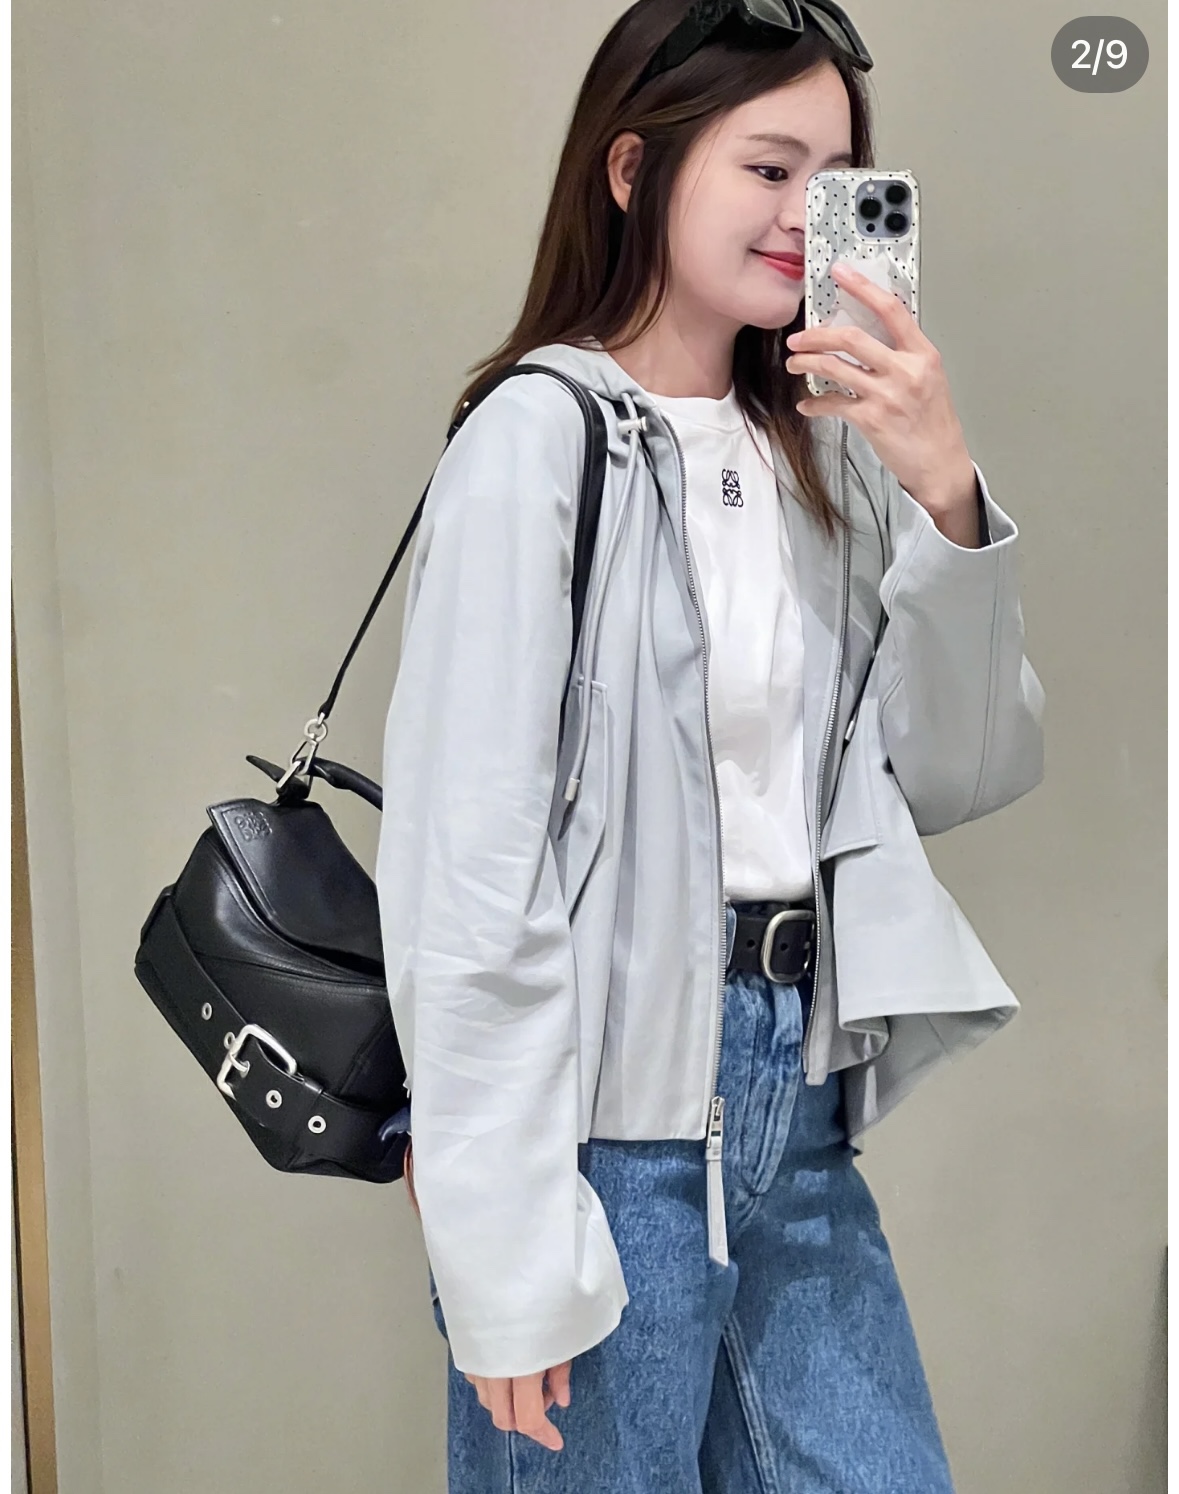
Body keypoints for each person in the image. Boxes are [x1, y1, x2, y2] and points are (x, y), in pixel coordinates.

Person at [375, 1, 1045, 1488]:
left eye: (836, 178)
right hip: (601, 1134)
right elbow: (466, 863)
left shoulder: (820, 459)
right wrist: (499, 1238)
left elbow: (965, 767)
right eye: (767, 166)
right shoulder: (538, 439)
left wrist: (942, 496)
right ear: (635, 170)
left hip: (792, 1118)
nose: (806, 213)